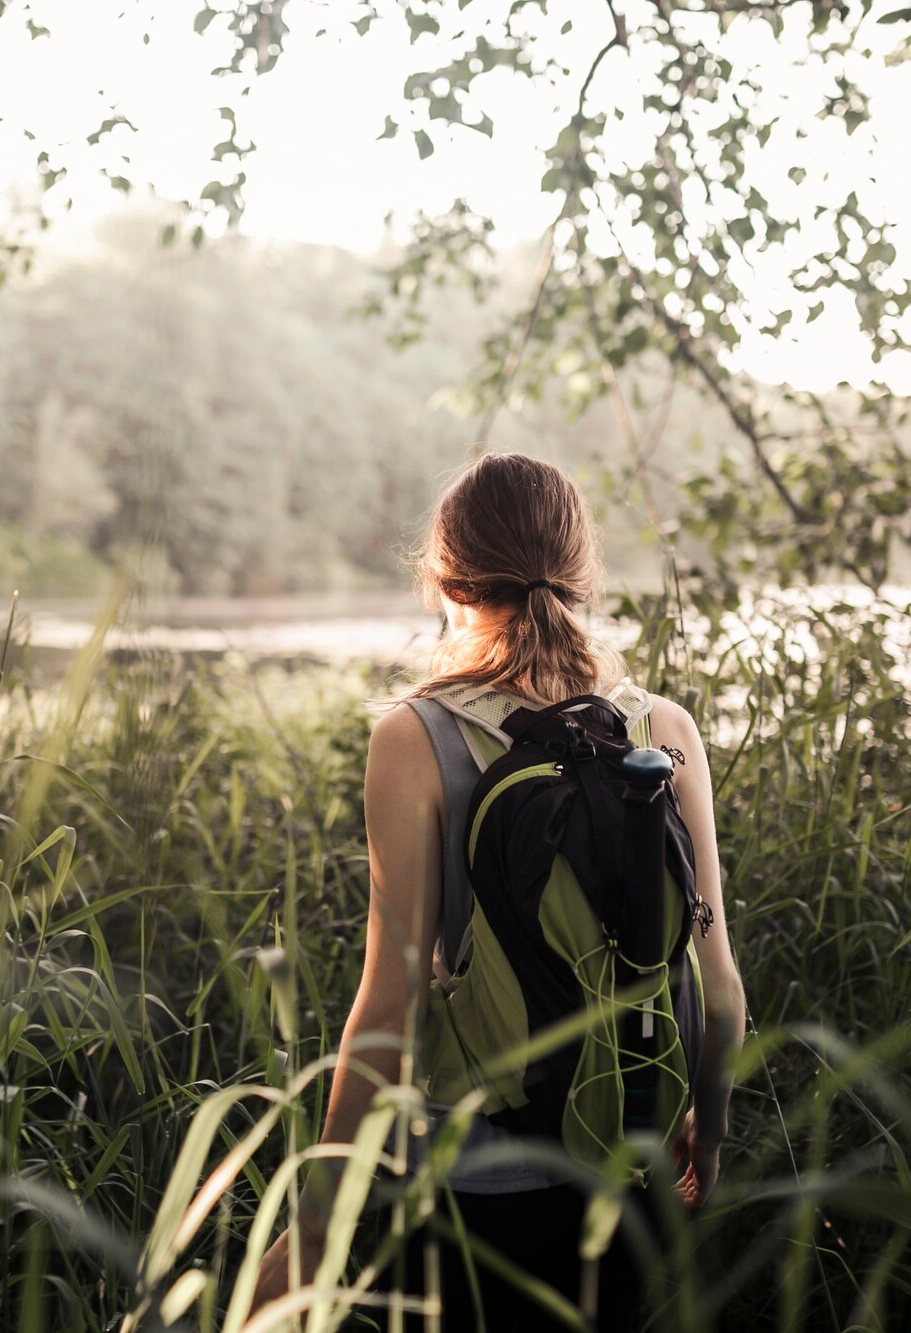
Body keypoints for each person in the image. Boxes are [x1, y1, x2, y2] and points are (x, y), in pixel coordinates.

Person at [250, 452, 746, 1330]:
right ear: (581, 574)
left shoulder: (416, 737)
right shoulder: (665, 731)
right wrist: (704, 1130)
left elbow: (389, 1009)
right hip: (629, 1167)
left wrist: (319, 1222)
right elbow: (723, 991)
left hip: (469, 1182)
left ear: (447, 581)